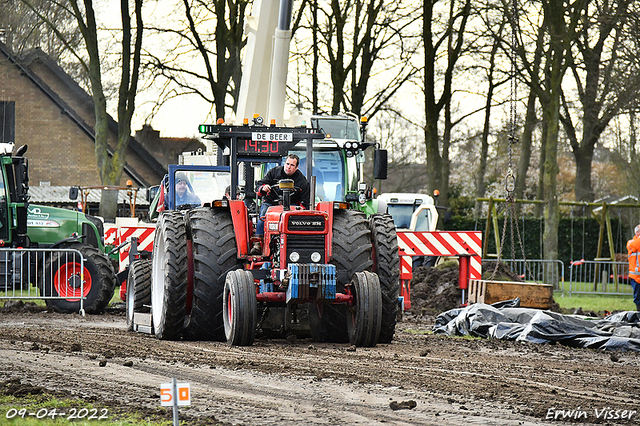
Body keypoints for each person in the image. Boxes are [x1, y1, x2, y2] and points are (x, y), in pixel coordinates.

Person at [251, 154, 310, 254]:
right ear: (284, 163)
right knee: (262, 218)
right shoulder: (274, 172)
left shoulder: (302, 181)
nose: (289, 167)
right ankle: (258, 245)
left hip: (292, 205)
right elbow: (259, 185)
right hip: (271, 203)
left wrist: (302, 211)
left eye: (292, 165)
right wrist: (263, 188)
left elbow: (305, 203)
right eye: (287, 164)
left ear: (296, 167)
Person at [626, 224, 640, 311]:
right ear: (637, 233)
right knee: (638, 297)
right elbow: (635, 246)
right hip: (636, 276)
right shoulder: (630, 243)